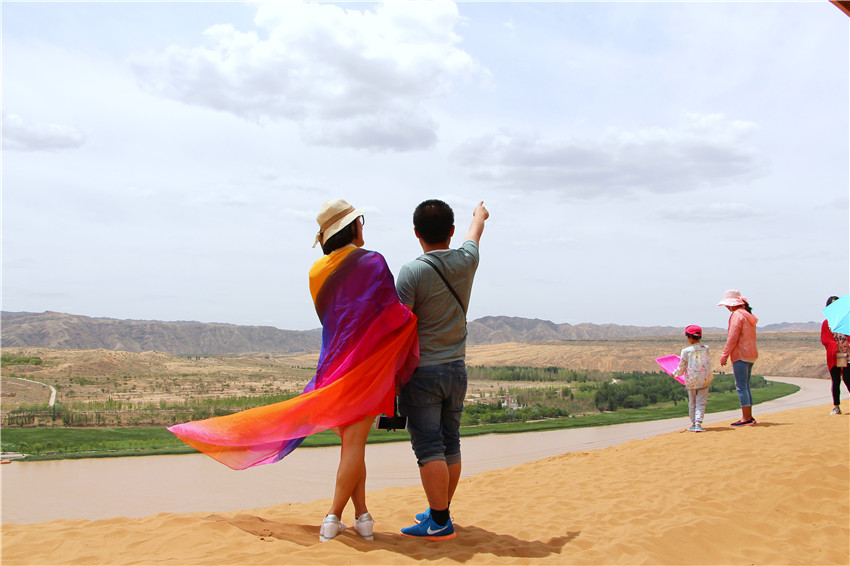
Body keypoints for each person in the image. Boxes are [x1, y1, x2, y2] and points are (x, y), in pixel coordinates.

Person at [169, 199, 419, 543]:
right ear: (351, 227)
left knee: (352, 445)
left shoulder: (317, 271)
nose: (364, 226)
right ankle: (332, 518)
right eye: (361, 221)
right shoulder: (374, 262)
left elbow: (339, 318)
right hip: (365, 370)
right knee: (355, 444)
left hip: (332, 367)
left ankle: (363, 517)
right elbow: (390, 312)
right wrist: (412, 317)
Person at [395, 199, 489, 541]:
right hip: (456, 370)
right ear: (450, 232)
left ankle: (438, 521)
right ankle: (440, 511)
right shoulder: (466, 261)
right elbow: (475, 232)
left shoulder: (412, 272)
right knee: (451, 443)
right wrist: (479, 215)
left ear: (417, 233)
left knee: (428, 448)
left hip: (423, 373)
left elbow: (399, 327)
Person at [717, 289, 759, 427]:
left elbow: (732, 338)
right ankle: (749, 416)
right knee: (746, 386)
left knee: (741, 387)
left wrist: (724, 355)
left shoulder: (737, 315)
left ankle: (746, 417)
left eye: (728, 304)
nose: (727, 307)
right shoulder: (747, 314)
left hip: (741, 355)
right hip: (751, 354)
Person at [670, 325, 712, 432]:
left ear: (689, 337)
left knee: (692, 403)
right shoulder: (706, 349)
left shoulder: (686, 351)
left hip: (692, 381)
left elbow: (681, 367)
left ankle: (693, 423)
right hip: (705, 380)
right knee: (701, 402)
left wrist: (674, 374)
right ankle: (698, 423)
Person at [820, 295, 850, 415]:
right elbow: (825, 339)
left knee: (848, 378)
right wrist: (835, 344)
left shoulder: (846, 321)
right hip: (835, 356)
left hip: (847, 355)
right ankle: (836, 406)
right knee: (836, 381)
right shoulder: (826, 324)